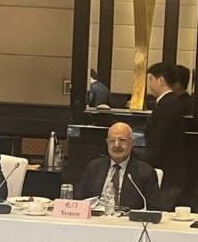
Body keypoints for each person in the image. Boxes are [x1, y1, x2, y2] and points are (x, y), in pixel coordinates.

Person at [75, 122, 162, 210]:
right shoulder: (94, 167)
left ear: (132, 143)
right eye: (112, 140)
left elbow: (154, 210)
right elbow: (78, 200)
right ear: (107, 143)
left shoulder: (145, 172)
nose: (116, 145)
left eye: (122, 140)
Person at [145, 62, 187, 210]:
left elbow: (160, 138)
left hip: (167, 169)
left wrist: (145, 161)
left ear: (161, 80)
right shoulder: (168, 102)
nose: (149, 84)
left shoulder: (168, 104)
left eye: (151, 79)